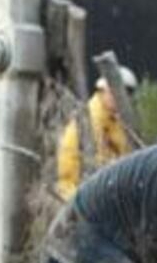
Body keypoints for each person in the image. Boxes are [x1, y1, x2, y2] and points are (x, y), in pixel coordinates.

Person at [55, 65, 138, 200]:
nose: (121, 98)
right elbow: (98, 161)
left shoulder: (115, 120)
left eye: (128, 94)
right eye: (115, 92)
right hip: (76, 192)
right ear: (104, 91)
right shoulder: (92, 119)